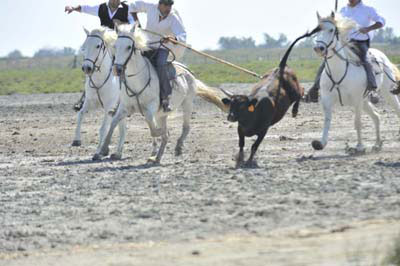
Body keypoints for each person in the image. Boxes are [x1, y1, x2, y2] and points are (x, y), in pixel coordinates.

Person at [305, 0, 385, 103]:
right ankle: (314, 90)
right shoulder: (343, 10)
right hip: (344, 43)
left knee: (365, 60)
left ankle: (372, 89)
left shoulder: (368, 10)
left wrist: (368, 29)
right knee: (327, 60)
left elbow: (381, 21)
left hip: (361, 43)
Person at [65, 0, 135, 111]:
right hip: (104, 44)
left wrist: (121, 25)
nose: (114, 1)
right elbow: (86, 8)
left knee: (121, 67)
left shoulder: (127, 9)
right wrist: (73, 8)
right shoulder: (101, 8)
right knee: (91, 64)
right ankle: (84, 99)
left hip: (120, 44)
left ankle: (124, 99)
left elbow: (133, 26)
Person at [130, 0, 187, 112]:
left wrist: (172, 39)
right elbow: (132, 7)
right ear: (159, 4)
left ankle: (165, 98)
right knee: (131, 61)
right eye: (166, 5)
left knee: (160, 64)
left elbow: (182, 34)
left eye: (170, 5)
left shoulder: (173, 17)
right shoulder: (150, 7)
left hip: (162, 47)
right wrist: (137, 24)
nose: (168, 8)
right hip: (146, 45)